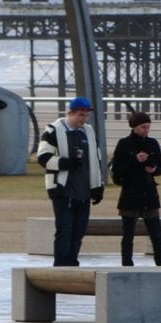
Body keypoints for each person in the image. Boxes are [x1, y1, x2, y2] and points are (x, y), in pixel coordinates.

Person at [37, 96, 104, 266]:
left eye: (86, 115)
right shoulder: (53, 130)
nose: (84, 119)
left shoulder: (88, 132)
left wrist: (98, 186)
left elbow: (96, 160)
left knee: (79, 231)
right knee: (64, 230)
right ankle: (60, 265)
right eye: (80, 115)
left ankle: (72, 262)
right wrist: (66, 163)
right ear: (70, 113)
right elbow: (43, 158)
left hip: (83, 191)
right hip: (63, 190)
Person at [110, 111, 161, 266]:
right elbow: (117, 171)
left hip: (149, 193)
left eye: (148, 127)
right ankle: (127, 264)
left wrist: (153, 169)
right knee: (128, 234)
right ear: (134, 127)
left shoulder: (153, 143)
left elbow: (160, 168)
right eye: (143, 127)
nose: (146, 131)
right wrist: (134, 160)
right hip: (130, 193)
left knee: (156, 234)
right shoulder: (124, 144)